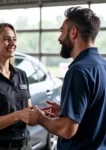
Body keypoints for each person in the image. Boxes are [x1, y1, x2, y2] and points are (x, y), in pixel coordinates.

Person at [29, 6, 106, 150]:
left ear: (73, 32)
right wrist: (67, 110)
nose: (59, 38)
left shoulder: (78, 71)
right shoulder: (103, 65)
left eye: (61, 31)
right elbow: (96, 110)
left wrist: (40, 118)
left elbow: (67, 130)